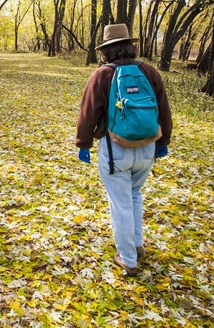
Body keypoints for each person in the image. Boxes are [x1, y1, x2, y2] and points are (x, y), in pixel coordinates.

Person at [76, 23, 172, 277]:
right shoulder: (149, 72)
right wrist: (163, 142)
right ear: (130, 46)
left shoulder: (102, 75)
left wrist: (83, 144)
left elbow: (89, 113)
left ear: (106, 50)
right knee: (134, 195)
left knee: (120, 203)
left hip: (115, 148)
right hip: (148, 147)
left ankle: (128, 259)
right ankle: (136, 245)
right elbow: (163, 110)